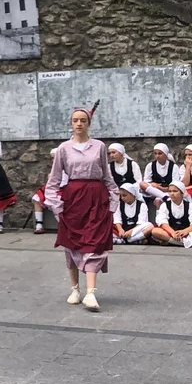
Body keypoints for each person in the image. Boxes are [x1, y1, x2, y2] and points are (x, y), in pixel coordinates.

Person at [42, 106, 118, 312]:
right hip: (73, 199)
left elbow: (107, 175)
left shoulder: (99, 146)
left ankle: (91, 292)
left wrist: (113, 201)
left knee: (94, 242)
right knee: (73, 241)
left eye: (83, 120)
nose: (79, 124)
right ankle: (75, 288)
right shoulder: (64, 149)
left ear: (88, 123)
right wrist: (56, 206)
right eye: (75, 120)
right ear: (71, 123)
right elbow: (54, 179)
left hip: (96, 197)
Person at [150, 182, 192, 246]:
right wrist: (173, 233)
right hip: (171, 231)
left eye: (175, 191)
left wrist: (184, 231)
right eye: (170, 191)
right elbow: (162, 222)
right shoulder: (165, 205)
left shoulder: (190, 205)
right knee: (155, 231)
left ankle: (173, 242)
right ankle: (182, 243)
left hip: (186, 232)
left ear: (182, 193)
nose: (172, 193)